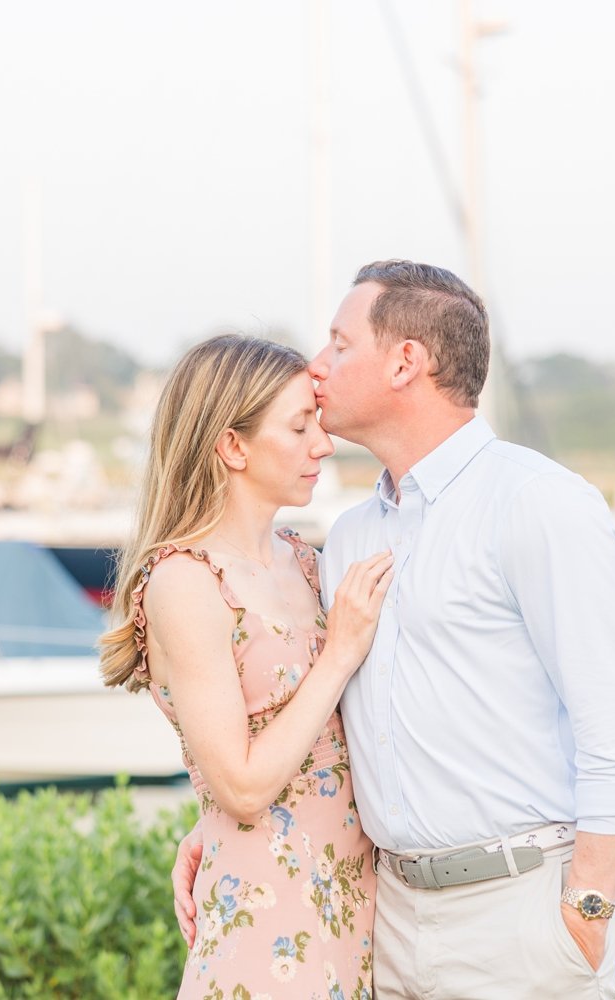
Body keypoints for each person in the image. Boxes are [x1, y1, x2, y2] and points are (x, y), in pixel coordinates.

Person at [172, 261, 615, 1000]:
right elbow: (336, 725)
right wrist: (223, 829)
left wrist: (584, 911)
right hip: (386, 922)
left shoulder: (537, 504)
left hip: (518, 918)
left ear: (406, 361)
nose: (317, 366)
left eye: (339, 345)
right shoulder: (348, 536)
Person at [100, 334, 395, 999]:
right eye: (298, 427)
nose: (322, 444)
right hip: (268, 924)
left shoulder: (308, 563)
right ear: (232, 446)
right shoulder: (184, 583)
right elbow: (240, 787)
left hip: (353, 909)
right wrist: (341, 651)